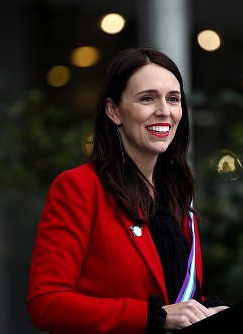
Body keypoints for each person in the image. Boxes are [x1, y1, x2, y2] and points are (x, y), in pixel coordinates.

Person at [26, 47, 229, 334]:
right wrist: (154, 317)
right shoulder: (80, 187)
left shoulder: (177, 194)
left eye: (173, 99)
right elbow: (46, 304)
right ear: (114, 111)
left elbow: (177, 298)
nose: (164, 111)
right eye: (147, 98)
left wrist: (209, 309)